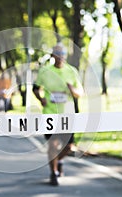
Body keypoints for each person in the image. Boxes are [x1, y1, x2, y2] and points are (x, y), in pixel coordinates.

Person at [33, 43, 84, 186]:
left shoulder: (71, 71)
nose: (60, 57)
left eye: (62, 54)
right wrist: (41, 98)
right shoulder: (45, 71)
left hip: (67, 114)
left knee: (69, 147)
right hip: (50, 113)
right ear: (52, 56)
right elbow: (36, 88)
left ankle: (59, 160)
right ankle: (54, 173)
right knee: (53, 145)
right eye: (57, 54)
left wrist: (71, 88)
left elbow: (79, 93)